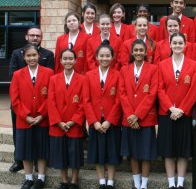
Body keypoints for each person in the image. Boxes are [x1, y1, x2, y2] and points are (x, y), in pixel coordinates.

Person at [9, 27, 54, 173]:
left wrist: (42, 113)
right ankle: (19, 160)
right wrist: (26, 115)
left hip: (42, 106)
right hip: (22, 106)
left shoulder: (48, 54)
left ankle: (40, 171)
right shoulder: (16, 53)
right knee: (20, 137)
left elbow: (50, 85)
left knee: (41, 142)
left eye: (38, 35)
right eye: (32, 35)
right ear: (26, 37)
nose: (35, 37)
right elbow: (13, 76)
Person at [157, 33, 196, 189]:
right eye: (174, 42)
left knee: (183, 149)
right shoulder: (162, 64)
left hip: (184, 114)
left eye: (180, 42)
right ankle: (171, 182)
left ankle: (180, 182)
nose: (177, 45)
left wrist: (182, 109)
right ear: (170, 44)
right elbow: (159, 89)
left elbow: (194, 90)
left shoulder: (193, 65)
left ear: (185, 44)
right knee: (168, 150)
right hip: (167, 113)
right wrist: (171, 108)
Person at [119, 39, 158, 189]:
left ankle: (144, 184)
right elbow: (122, 94)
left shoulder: (153, 69)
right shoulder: (124, 70)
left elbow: (152, 94)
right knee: (133, 153)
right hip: (129, 119)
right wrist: (130, 115)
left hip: (146, 118)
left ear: (146, 52)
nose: (138, 53)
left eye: (141, 50)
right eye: (136, 50)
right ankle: (136, 183)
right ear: (132, 52)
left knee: (145, 153)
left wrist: (138, 115)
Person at [84, 41, 122, 189]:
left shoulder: (118, 75)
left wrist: (110, 121)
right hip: (96, 121)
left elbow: (119, 100)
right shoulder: (89, 75)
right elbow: (86, 101)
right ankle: (101, 180)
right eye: (102, 55)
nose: (104, 58)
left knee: (112, 152)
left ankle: (110, 181)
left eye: (108, 55)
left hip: (111, 121)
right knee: (97, 152)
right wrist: (94, 121)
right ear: (97, 57)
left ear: (112, 57)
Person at [48, 49, 85, 189]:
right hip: (58, 124)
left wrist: (72, 121)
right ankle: (64, 181)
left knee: (75, 154)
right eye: (65, 59)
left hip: (74, 124)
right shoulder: (53, 79)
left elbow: (83, 103)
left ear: (76, 60)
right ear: (60, 61)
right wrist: (59, 122)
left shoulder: (82, 79)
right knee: (60, 153)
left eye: (71, 59)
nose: (68, 61)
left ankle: (74, 181)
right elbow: (50, 102)